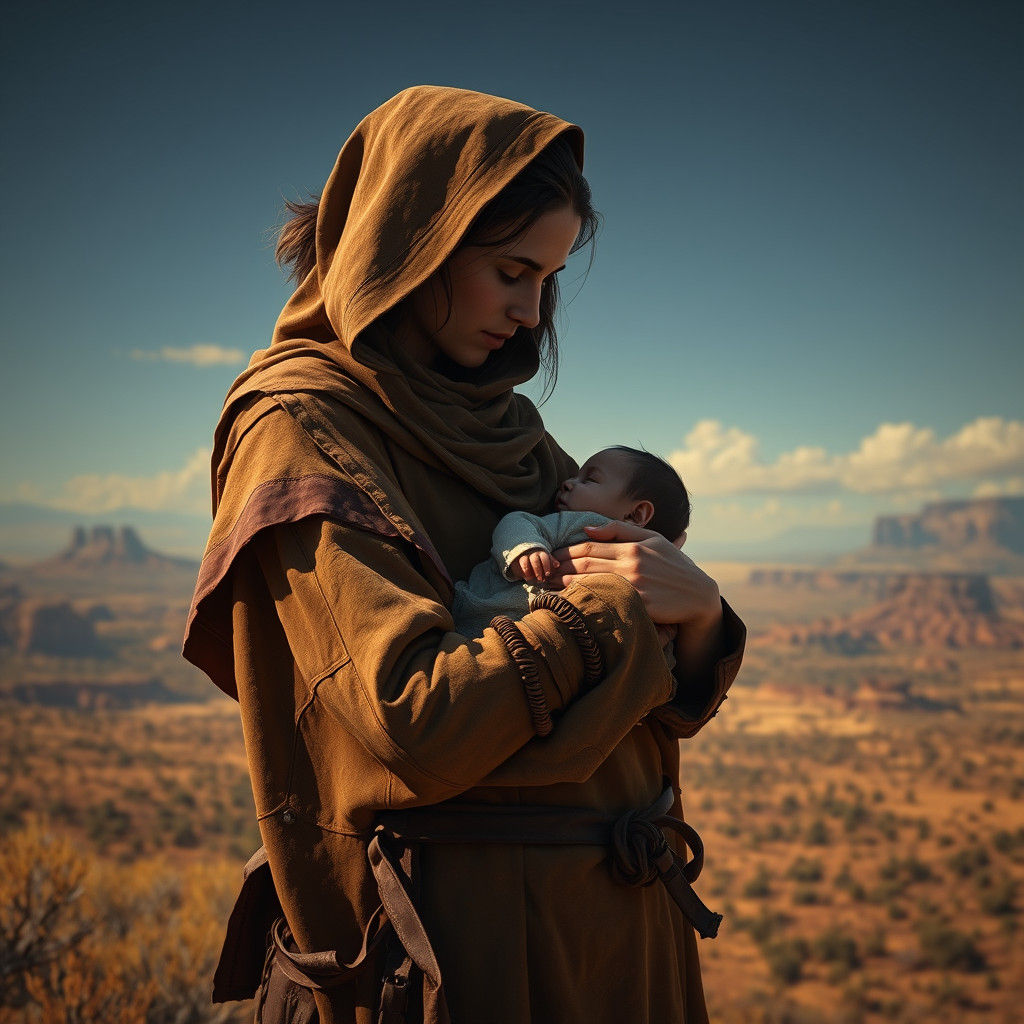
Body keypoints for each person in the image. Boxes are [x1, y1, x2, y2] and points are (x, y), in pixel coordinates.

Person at [183, 86, 745, 1024]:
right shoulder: (303, 433)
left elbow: (659, 695)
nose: (530, 315)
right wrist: (619, 608)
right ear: (416, 247)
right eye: (511, 271)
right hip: (469, 958)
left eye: (548, 282)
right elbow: (419, 721)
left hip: (612, 944)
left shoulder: (510, 435)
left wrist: (705, 617)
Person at [451, 446, 691, 640]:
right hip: (479, 611)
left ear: (635, 515)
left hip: (527, 641)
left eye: (589, 480)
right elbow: (517, 521)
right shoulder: (577, 524)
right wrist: (527, 548)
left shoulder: (643, 566)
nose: (568, 482)